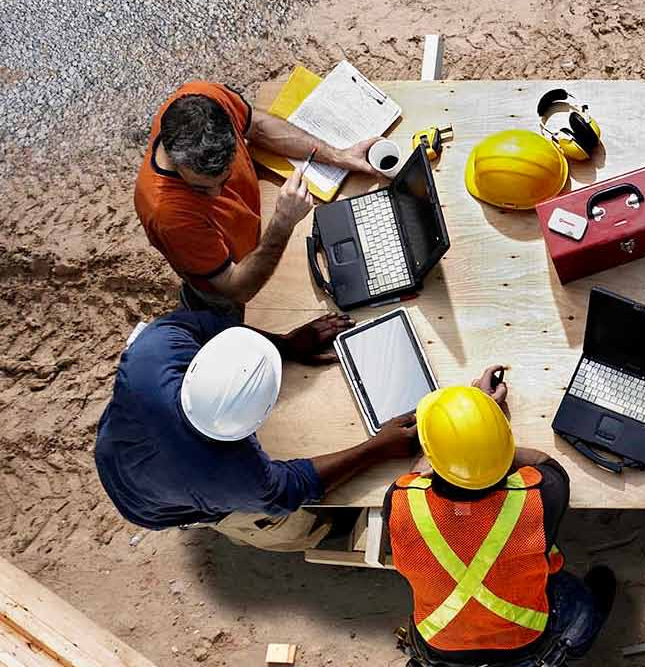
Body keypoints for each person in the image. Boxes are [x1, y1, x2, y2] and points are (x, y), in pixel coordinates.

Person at [95, 309, 418, 551]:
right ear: (255, 424)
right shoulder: (231, 476)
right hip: (147, 504)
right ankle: (319, 532)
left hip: (115, 449)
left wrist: (286, 344)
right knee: (291, 529)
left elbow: (200, 325)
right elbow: (289, 489)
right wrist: (377, 448)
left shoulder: (154, 354)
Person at [385, 371, 614, 666]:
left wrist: (457, 444)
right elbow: (544, 462)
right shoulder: (542, 495)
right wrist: (491, 431)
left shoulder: (402, 500)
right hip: (525, 641)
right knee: (576, 599)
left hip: (438, 642)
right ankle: (578, 639)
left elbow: (417, 472)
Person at [134, 80, 382, 318]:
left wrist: (337, 156)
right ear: (173, 160)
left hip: (255, 234)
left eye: (225, 179)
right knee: (236, 314)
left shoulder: (206, 97)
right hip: (230, 278)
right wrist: (283, 222)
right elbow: (237, 288)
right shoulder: (168, 216)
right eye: (200, 189)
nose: (217, 196)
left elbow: (259, 128)